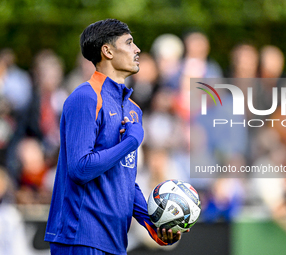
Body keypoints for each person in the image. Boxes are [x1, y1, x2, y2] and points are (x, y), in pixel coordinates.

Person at [44, 18, 183, 255]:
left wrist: (152, 223)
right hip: (80, 237)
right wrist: (130, 142)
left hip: (115, 241)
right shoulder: (85, 98)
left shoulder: (133, 109)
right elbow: (80, 169)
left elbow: (125, 179)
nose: (137, 49)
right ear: (107, 51)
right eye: (129, 43)